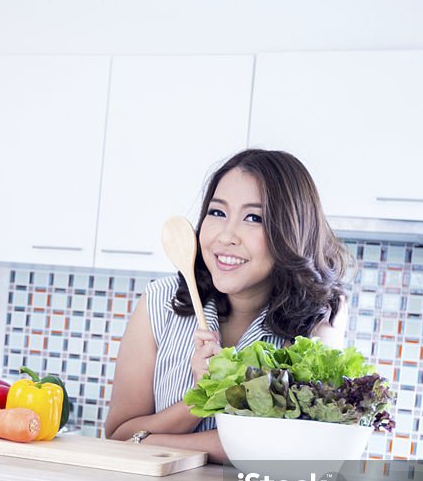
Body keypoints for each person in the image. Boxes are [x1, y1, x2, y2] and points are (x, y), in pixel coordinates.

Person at [103, 148, 353, 463]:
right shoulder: (160, 302)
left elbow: (287, 445)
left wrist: (154, 441)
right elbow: (118, 434)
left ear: (291, 231)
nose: (226, 235)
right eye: (217, 212)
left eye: (254, 218)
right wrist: (200, 398)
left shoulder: (322, 313)